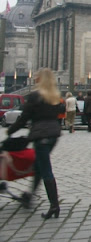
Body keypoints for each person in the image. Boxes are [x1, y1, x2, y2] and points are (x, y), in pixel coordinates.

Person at [7, 68, 66, 219]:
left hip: (41, 136)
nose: (34, 79)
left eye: (37, 77)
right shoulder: (55, 96)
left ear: (41, 79)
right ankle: (29, 195)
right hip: (53, 135)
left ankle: (54, 206)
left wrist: (10, 131)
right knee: (39, 168)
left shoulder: (35, 96)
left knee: (45, 169)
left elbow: (24, 117)